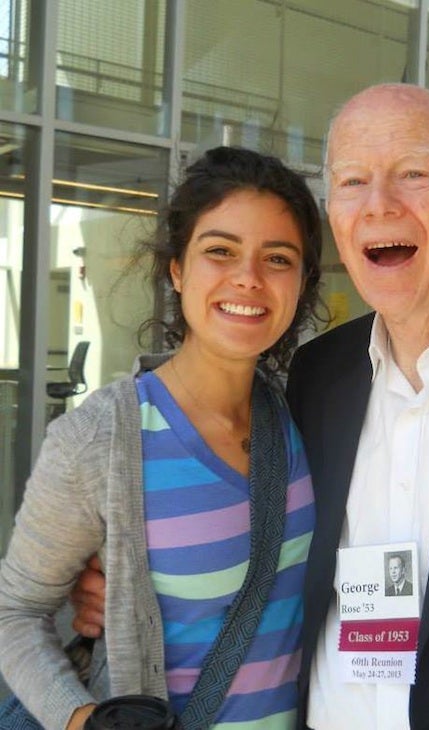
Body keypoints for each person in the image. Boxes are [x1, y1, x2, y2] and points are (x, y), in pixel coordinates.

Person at [71, 83, 429, 729]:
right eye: (352, 181)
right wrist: (122, 578)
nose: (379, 204)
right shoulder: (317, 378)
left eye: (413, 174)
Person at [0, 146, 323, 730]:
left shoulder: (307, 414)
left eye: (277, 258)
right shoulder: (99, 439)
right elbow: (15, 611)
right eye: (219, 251)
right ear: (177, 270)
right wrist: (82, 721)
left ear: (302, 282)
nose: (247, 278)